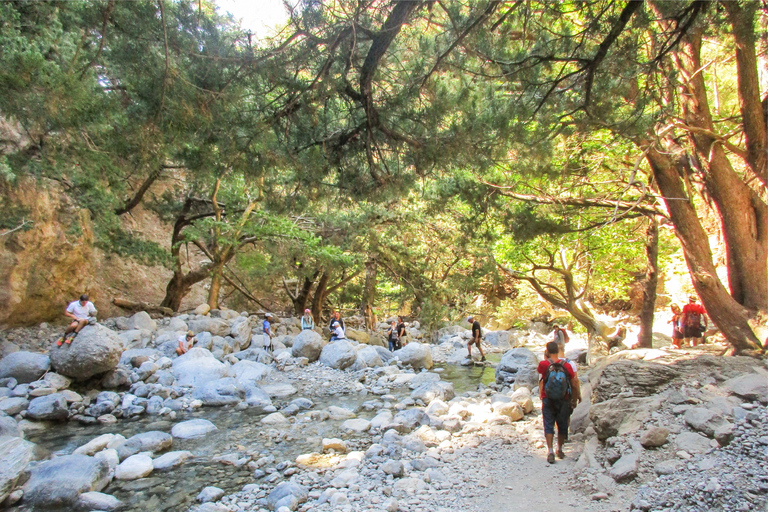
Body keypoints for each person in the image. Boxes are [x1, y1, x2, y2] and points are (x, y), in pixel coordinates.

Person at [538, 341, 581, 464]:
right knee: (562, 424)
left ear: (547, 351)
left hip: (548, 398)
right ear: (558, 351)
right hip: (564, 398)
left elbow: (541, 378)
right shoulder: (566, 365)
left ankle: (550, 451)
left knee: (548, 423)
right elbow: (574, 383)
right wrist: (575, 398)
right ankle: (560, 449)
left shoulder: (544, 364)